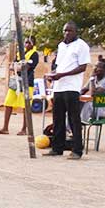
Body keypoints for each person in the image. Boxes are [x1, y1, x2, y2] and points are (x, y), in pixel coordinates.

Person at [44, 22, 90, 160]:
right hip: (59, 87)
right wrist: (52, 75)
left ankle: (77, 150)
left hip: (72, 87)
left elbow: (82, 67)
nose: (67, 33)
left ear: (76, 31)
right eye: (65, 31)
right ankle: (57, 147)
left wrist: (62, 75)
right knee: (57, 118)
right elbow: (59, 66)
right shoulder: (61, 46)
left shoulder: (81, 45)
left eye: (70, 31)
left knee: (73, 119)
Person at [0, 37, 39, 135]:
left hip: (27, 82)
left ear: (33, 44)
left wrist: (17, 66)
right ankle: (5, 128)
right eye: (25, 42)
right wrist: (17, 66)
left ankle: (24, 129)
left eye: (28, 43)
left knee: (25, 106)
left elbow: (25, 68)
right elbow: (13, 66)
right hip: (16, 82)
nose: (26, 44)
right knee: (8, 103)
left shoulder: (34, 55)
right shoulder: (19, 53)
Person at [80, 57, 105, 124]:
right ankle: (68, 129)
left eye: (98, 67)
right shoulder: (94, 78)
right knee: (73, 103)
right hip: (96, 107)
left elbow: (93, 94)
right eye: (95, 66)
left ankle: (81, 123)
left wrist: (92, 79)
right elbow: (83, 90)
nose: (95, 69)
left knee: (86, 103)